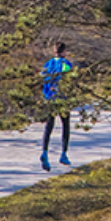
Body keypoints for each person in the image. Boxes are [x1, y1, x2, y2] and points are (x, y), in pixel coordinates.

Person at [40, 43, 73, 171]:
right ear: (64, 52)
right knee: (65, 125)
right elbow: (68, 79)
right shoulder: (66, 64)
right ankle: (64, 153)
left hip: (49, 98)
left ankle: (44, 152)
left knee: (49, 126)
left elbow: (43, 79)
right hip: (62, 97)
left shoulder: (47, 64)